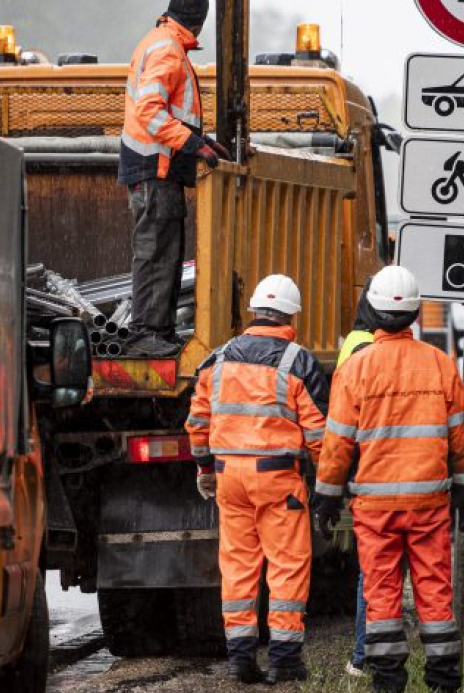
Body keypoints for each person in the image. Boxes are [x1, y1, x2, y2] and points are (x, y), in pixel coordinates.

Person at [313, 266, 464, 693]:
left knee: (382, 592)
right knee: (435, 591)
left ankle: (388, 680)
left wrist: (326, 499)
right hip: (429, 505)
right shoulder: (440, 364)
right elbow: (462, 437)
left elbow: (337, 444)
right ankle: (444, 679)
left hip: (375, 510)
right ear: (415, 312)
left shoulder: (356, 368)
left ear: (371, 311)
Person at [185, 274, 329, 683]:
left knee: (237, 566)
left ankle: (240, 659)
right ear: (291, 316)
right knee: (286, 566)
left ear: (253, 311)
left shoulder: (217, 359)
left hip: (229, 477)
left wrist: (205, 469)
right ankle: (284, 660)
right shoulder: (298, 361)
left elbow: (197, 423)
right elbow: (319, 435)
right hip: (278, 479)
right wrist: (327, 482)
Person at [119, 0, 230, 358]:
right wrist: (193, 144)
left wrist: (202, 140)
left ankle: (158, 331)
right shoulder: (168, 49)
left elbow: (168, 112)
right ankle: (145, 334)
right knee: (155, 250)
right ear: (200, 22)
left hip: (155, 167)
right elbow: (150, 111)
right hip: (155, 167)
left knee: (164, 251)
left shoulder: (160, 41)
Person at [337, 287, 379, 678]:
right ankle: (368, 655)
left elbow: (342, 428)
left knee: (374, 569)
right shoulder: (368, 351)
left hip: (367, 475)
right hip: (380, 474)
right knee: (381, 571)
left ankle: (367, 656)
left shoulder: (354, 343)